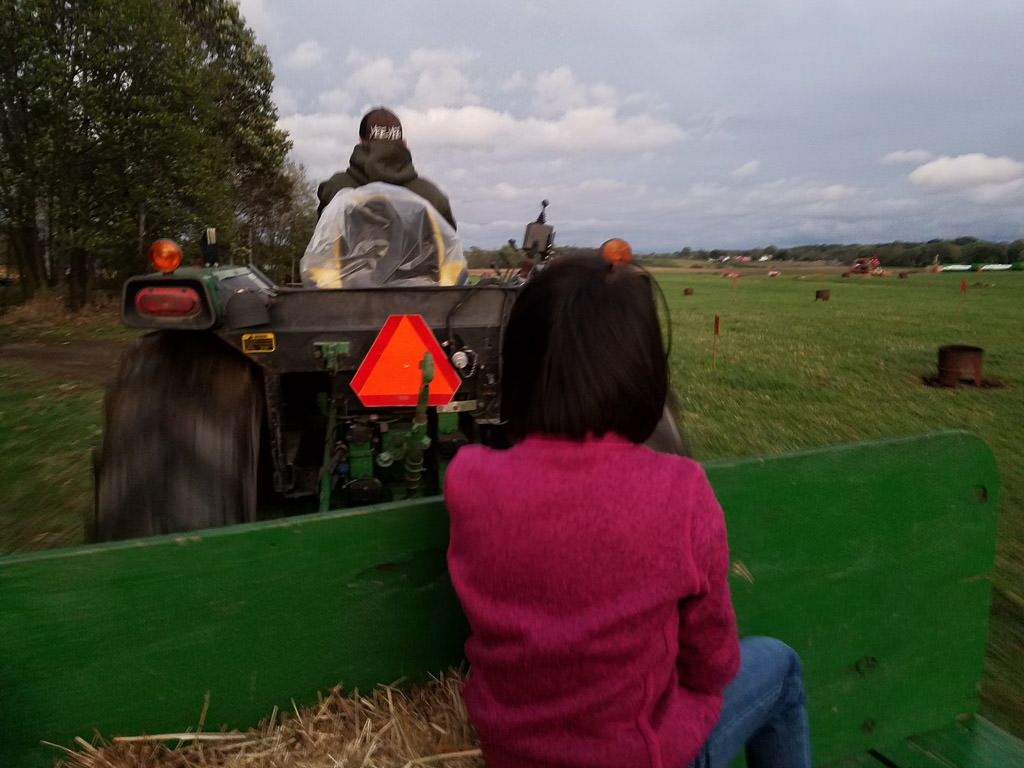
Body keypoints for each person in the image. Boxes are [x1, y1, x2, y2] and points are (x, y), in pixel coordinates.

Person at [444, 245, 812, 768]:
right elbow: (713, 663)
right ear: (642, 371)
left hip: (513, 752)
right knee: (779, 663)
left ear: (521, 368)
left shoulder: (468, 478)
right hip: (639, 755)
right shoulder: (682, 490)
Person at [316, 107, 456, 229]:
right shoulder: (432, 198)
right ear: (404, 143)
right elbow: (447, 249)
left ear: (360, 142)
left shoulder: (334, 189)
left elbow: (322, 244)